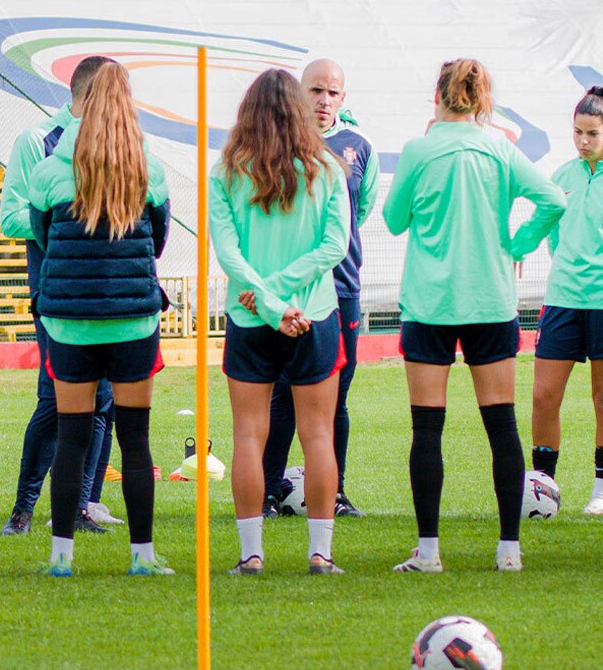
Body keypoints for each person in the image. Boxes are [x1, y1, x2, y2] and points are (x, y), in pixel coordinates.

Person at [383, 59, 563, 574]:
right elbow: (553, 199)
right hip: (490, 301)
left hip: (430, 304)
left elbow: (393, 220)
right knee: (501, 425)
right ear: (482, 99)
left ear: (437, 96)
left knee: (427, 428)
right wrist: (517, 243)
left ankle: (429, 552)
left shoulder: (419, 150)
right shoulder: (500, 148)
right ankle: (509, 551)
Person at [28, 63, 177, 577]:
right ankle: (143, 557)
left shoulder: (50, 169)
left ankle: (60, 557)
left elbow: (42, 236)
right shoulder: (148, 168)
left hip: (69, 323)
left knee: (71, 438)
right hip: (133, 321)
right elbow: (158, 239)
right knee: (135, 440)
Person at [211, 68, 350, 576]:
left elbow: (228, 253)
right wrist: (286, 301)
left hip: (251, 317)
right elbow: (334, 247)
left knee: (249, 435)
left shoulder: (228, 171)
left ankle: (252, 554)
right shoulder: (326, 168)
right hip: (313, 315)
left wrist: (269, 302)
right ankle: (321, 553)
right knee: (318, 435)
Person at [2, 56, 119, 538]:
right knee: (55, 398)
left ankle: (81, 505)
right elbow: (13, 216)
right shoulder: (37, 141)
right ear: (90, 96)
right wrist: (67, 226)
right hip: (56, 292)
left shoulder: (118, 144)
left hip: (105, 293)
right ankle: (24, 509)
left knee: (103, 400)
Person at [516, 86, 603, 516]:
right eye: (577, 132)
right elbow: (551, 233)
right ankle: (542, 487)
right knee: (543, 396)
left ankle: (602, 492)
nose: (583, 141)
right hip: (563, 297)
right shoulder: (562, 177)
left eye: (592, 133)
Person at [262, 58, 378, 519]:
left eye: (332, 92)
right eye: (315, 90)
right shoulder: (278, 144)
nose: (324, 100)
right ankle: (267, 493)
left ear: (343, 98)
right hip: (290, 291)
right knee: (282, 395)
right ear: (299, 93)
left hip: (341, 288)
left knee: (336, 398)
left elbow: (359, 210)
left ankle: (335, 492)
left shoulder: (359, 148)